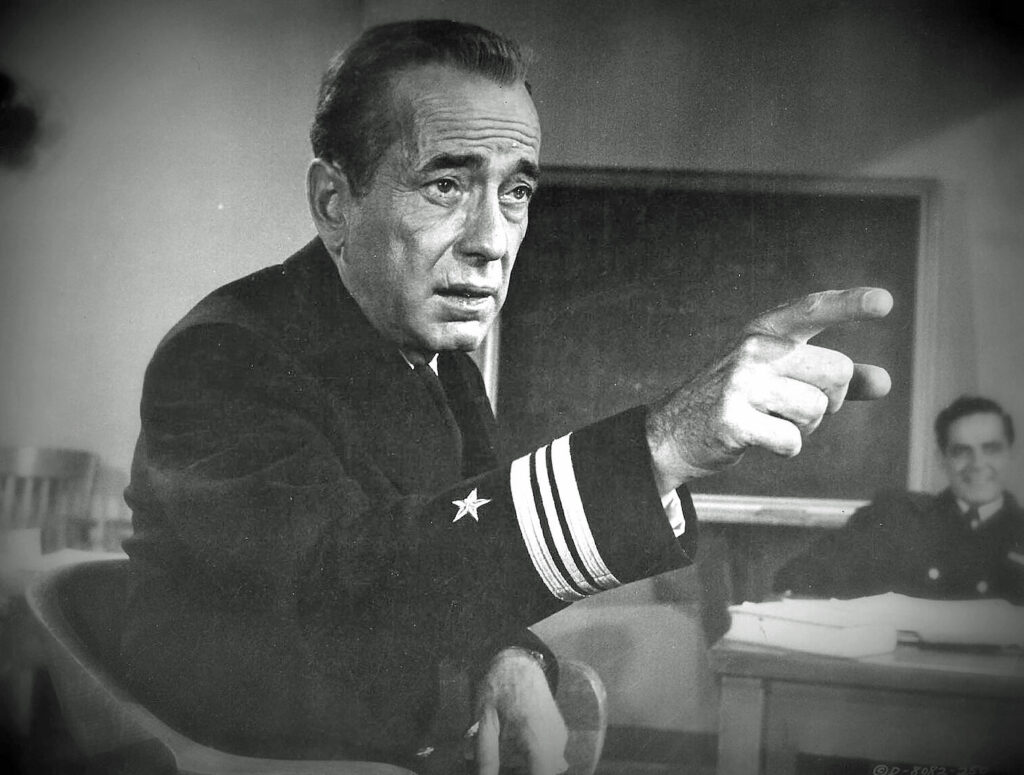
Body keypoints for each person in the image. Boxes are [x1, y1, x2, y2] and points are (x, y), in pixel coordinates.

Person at [121, 19, 892, 774]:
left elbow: (450, 561)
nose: (490, 240)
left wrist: (510, 657)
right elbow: (344, 589)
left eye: (516, 190)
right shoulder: (223, 355)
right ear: (333, 201)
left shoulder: (440, 359)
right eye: (446, 185)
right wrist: (659, 446)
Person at [774, 396, 1022, 601]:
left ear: (1010, 454)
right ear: (942, 459)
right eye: (961, 451)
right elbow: (797, 579)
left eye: (991, 449)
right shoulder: (894, 517)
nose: (978, 464)